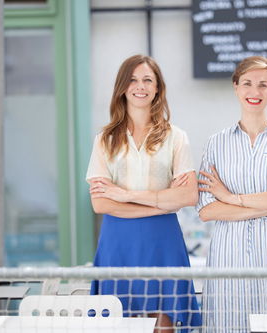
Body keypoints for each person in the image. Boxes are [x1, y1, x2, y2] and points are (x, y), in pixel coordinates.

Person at [86, 54, 201, 333]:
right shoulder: (105, 139)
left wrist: (124, 196)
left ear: (158, 87)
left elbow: (188, 197)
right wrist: (162, 203)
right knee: (121, 324)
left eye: (148, 79)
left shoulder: (176, 137)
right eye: (133, 80)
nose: (141, 86)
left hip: (162, 242)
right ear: (123, 87)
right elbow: (100, 203)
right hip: (119, 242)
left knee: (165, 324)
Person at [196, 56, 267, 332]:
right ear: (235, 87)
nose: (254, 92)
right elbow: (207, 210)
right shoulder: (216, 143)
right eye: (247, 83)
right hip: (227, 259)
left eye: (262, 85)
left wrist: (232, 198)